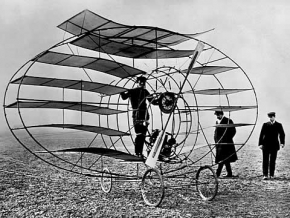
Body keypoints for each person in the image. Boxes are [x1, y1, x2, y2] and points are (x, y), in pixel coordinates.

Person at [120, 76, 156, 158]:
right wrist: (121, 91)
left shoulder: (144, 91)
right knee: (140, 134)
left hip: (144, 115)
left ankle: (139, 153)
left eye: (143, 82)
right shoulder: (133, 91)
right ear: (138, 82)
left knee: (142, 135)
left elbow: (153, 101)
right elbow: (124, 97)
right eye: (141, 82)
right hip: (138, 115)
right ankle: (138, 153)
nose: (142, 83)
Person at [258, 112, 285, 180]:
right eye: (270, 117)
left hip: (274, 145)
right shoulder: (265, 124)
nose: (271, 118)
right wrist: (260, 144)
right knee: (265, 160)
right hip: (266, 145)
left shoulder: (279, 125)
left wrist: (282, 143)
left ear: (274, 117)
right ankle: (265, 175)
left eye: (272, 117)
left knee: (273, 160)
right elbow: (261, 134)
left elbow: (282, 134)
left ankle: (272, 175)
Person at [214, 111, 238, 178]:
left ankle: (217, 174)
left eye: (218, 115)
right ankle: (229, 173)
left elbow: (233, 131)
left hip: (226, 144)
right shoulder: (218, 122)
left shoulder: (228, 121)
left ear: (221, 115)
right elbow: (216, 133)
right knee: (225, 159)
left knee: (222, 159)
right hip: (219, 144)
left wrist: (226, 139)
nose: (217, 117)